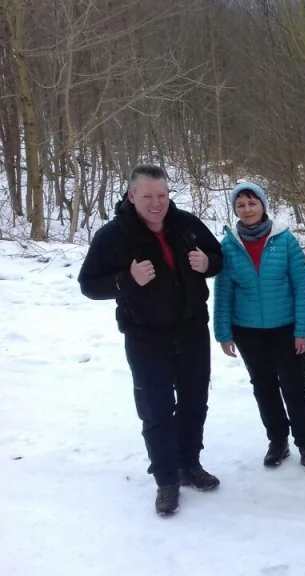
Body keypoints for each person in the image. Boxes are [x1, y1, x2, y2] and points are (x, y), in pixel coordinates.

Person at [78, 164, 223, 516]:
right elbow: (88, 284)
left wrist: (208, 263)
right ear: (131, 196)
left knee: (194, 403)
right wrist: (126, 280)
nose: (157, 203)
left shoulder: (187, 224)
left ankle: (189, 464)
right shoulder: (114, 235)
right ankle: (166, 481)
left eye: (162, 195)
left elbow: (218, 257)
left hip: (192, 330)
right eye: (148, 197)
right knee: (156, 409)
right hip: (145, 336)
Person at [212, 181, 305, 473]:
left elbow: (303, 287)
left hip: (285, 328)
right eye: (240, 205)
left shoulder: (285, 241)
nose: (247, 209)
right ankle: (277, 440)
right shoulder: (229, 245)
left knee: (295, 388)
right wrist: (223, 332)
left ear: (263, 205)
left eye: (252, 203)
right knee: (264, 387)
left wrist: (302, 330)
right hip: (247, 331)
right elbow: (223, 291)